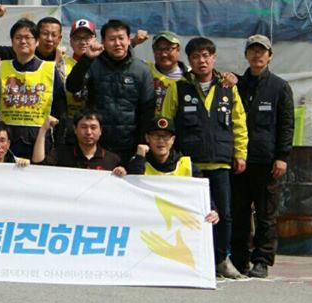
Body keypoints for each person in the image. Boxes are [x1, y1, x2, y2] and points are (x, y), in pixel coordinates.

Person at [159, 36, 248, 280]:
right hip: (189, 163)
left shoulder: (228, 87)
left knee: (224, 214)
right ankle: (190, 258)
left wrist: (240, 153)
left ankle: (221, 260)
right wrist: (170, 156)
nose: (202, 61)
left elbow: (239, 123)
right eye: (196, 56)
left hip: (220, 161)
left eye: (206, 56)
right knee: (188, 213)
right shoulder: (178, 88)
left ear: (214, 58)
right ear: (189, 60)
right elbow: (166, 124)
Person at [232, 34, 294, 278]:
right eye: (253, 50)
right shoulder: (236, 84)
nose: (257, 55)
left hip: (267, 160)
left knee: (266, 213)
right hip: (239, 159)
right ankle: (239, 259)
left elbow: (286, 124)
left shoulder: (279, 87)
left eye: (262, 51)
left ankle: (262, 260)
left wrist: (282, 156)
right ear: (246, 55)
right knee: (238, 211)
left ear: (270, 56)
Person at [65, 19, 155, 161]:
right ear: (104, 42)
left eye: (121, 38)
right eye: (112, 39)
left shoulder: (142, 70)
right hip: (96, 144)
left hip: (129, 144)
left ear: (128, 40)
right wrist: (86, 59)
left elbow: (148, 110)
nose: (117, 43)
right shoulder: (92, 64)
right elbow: (72, 86)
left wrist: (142, 144)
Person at [115, 116, 221, 221]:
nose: (161, 141)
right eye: (156, 136)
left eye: (166, 137)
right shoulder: (139, 161)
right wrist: (139, 157)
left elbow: (202, 191)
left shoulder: (186, 164)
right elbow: (132, 190)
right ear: (147, 138)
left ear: (173, 140)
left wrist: (212, 210)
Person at [0, 19, 66, 159]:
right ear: (12, 41)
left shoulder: (49, 69)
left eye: (28, 37)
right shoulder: (1, 67)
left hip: (40, 140)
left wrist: (59, 142)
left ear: (37, 41)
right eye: (18, 38)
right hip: (7, 142)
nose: (23, 41)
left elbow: (60, 108)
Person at [33, 113, 124, 172]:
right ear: (75, 129)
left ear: (100, 130)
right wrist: (43, 130)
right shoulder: (61, 154)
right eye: (83, 127)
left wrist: (121, 173)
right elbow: (38, 167)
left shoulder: (112, 160)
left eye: (93, 128)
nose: (88, 132)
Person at [0, 3, 64, 63]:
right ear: (37, 37)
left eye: (54, 35)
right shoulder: (21, 52)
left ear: (59, 38)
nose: (49, 39)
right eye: (45, 33)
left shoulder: (65, 59)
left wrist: (59, 62)